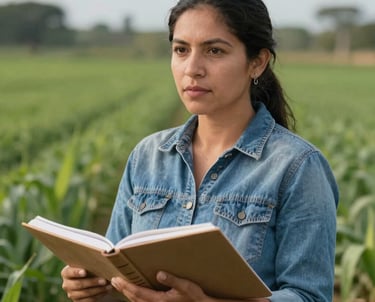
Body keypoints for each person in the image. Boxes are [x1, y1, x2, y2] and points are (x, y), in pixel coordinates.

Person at [61, 0, 339, 301]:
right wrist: (92, 285)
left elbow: (309, 296)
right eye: (181, 50)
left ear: (257, 62)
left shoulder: (297, 167)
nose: (192, 69)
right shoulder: (147, 156)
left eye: (214, 51)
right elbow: (117, 266)